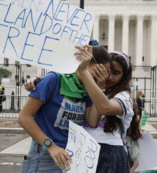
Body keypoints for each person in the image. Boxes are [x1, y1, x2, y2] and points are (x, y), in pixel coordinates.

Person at [17, 45, 111, 173]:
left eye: (105, 74)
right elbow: (24, 117)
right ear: (84, 63)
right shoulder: (53, 79)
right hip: (46, 155)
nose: (102, 76)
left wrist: (99, 86)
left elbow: (92, 121)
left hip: (71, 155)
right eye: (99, 71)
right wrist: (51, 147)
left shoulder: (88, 89)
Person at [75, 45, 141, 173]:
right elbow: (93, 122)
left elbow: (105, 108)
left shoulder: (124, 96)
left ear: (124, 76)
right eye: (107, 70)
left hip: (110, 151)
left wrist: (93, 80)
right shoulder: (93, 89)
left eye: (116, 73)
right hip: (85, 149)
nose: (109, 77)